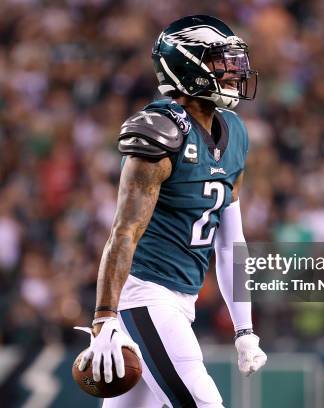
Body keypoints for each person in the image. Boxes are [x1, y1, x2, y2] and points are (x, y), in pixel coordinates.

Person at [76, 15, 267, 407]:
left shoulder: (234, 132)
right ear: (187, 65)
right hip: (144, 294)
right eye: (220, 61)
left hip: (182, 299)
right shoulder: (161, 131)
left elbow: (231, 242)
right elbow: (123, 231)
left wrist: (244, 328)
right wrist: (105, 316)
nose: (234, 71)